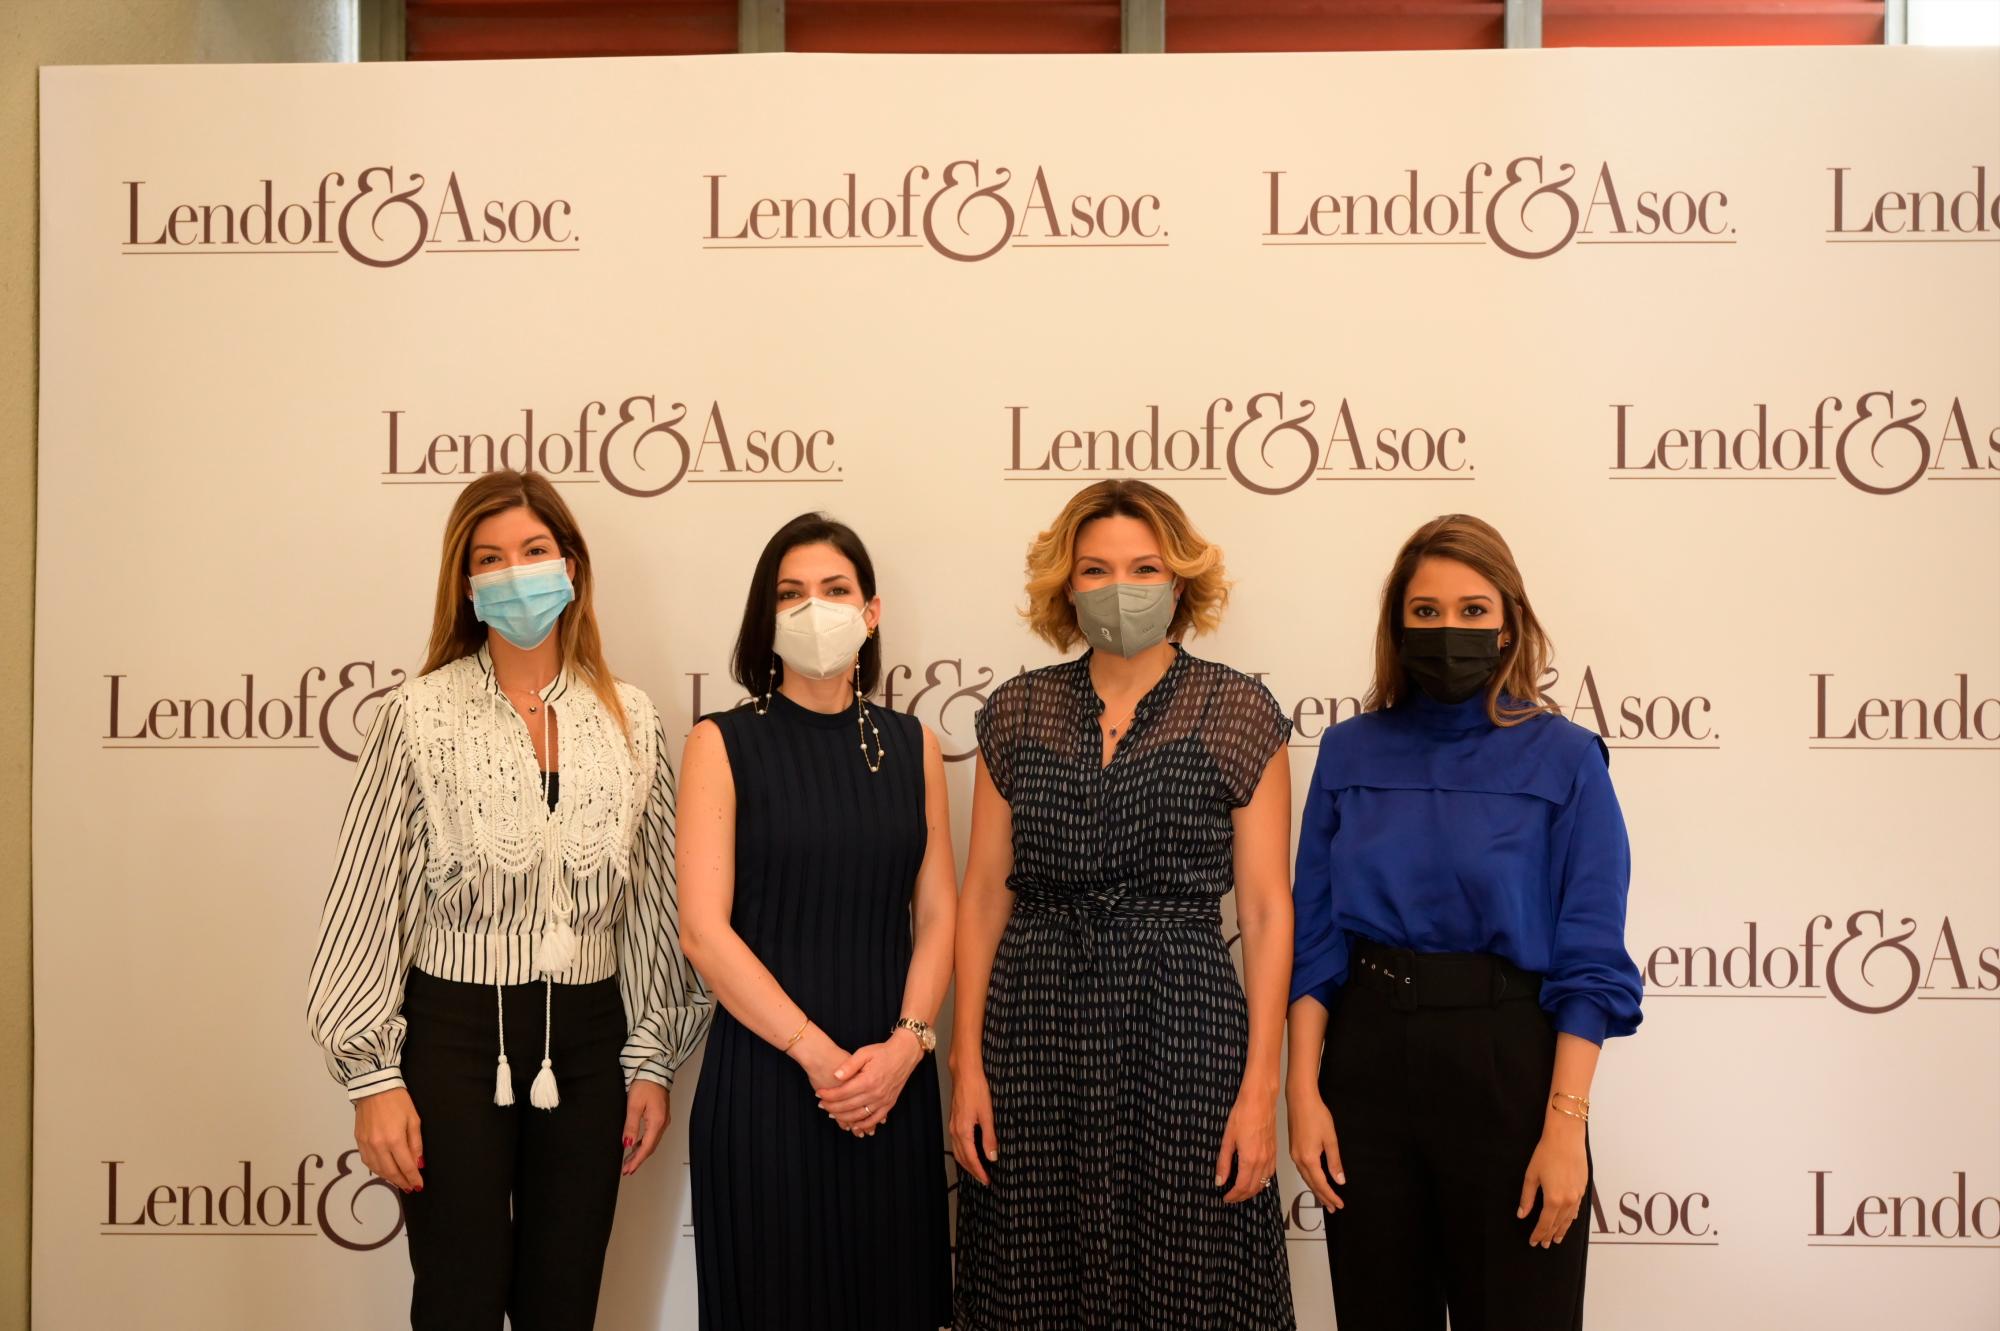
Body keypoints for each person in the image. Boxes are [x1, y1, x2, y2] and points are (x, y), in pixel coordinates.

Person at [307, 469, 711, 1331]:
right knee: (455, 1296)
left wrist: (651, 1059)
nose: (515, 572)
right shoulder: (417, 714)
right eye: (489, 557)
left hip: (593, 1037)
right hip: (452, 1035)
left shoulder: (632, 717)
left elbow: (654, 906)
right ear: (465, 581)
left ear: (571, 565)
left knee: (563, 1301)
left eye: (533, 550)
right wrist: (372, 1077)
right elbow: (365, 895)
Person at [951, 479, 1297, 1331]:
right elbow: (983, 902)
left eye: (1144, 568)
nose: (1121, 587)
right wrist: (965, 1065)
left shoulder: (1237, 711)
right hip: (1034, 1031)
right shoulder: (1017, 713)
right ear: (1067, 585)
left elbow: (1264, 912)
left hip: (1184, 1027)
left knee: (1195, 1276)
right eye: (1097, 569)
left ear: (1179, 583)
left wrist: (1262, 1089)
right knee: (1032, 1275)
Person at [1286, 513, 1644, 1331]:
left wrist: (1566, 1128)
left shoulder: (1567, 757)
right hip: (1368, 1063)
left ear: (1511, 619)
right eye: (1426, 611)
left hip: (1509, 1064)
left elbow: (1591, 957)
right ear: (1397, 624)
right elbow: (1316, 939)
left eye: (1474, 610)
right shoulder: (1348, 751)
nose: (1450, 629)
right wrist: (1301, 1090)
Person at [678, 513, 956, 1331]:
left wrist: (906, 1046)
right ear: (765, 618)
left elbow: (937, 910)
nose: (814, 608)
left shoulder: (914, 746)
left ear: (871, 611)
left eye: (835, 590)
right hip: (766, 1087)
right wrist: (821, 1058)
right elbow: (703, 930)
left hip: (893, 1086)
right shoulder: (720, 742)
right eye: (791, 593)